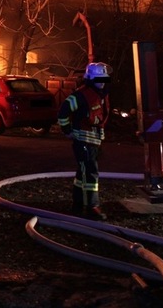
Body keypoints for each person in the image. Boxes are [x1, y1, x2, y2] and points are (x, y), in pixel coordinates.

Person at [58, 62, 112, 220]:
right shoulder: (81, 95)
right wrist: (67, 130)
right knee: (90, 173)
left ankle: (78, 203)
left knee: (82, 174)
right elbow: (63, 112)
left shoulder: (100, 94)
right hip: (83, 140)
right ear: (90, 79)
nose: (102, 82)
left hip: (94, 140)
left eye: (104, 79)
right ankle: (92, 207)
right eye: (99, 79)